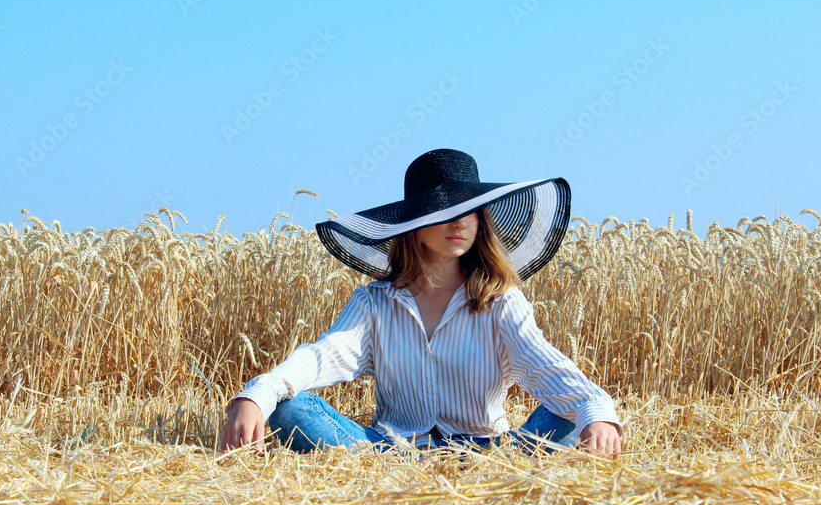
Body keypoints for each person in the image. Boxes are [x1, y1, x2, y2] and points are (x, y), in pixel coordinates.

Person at [220, 148, 622, 456]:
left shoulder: (500, 301)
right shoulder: (374, 304)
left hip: (492, 456)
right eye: (444, 210)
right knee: (291, 409)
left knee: (570, 411)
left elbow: (543, 364)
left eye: (471, 210)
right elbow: (322, 356)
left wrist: (595, 412)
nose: (460, 222)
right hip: (387, 451)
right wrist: (257, 394)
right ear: (413, 223)